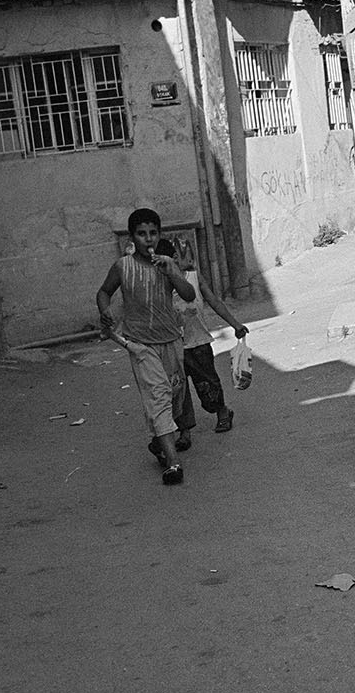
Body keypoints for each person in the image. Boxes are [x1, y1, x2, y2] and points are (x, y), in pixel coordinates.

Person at [97, 208, 196, 486]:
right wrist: (105, 310)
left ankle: (159, 442)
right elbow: (104, 292)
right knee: (158, 396)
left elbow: (189, 295)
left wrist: (173, 272)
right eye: (142, 234)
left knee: (175, 395)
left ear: (159, 235)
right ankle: (174, 463)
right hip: (140, 345)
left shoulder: (167, 264)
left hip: (171, 340)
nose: (148, 239)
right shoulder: (122, 267)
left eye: (153, 233)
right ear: (132, 237)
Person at [155, 238, 248, 445]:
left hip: (198, 343)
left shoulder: (193, 277)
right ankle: (184, 431)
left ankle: (222, 411)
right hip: (173, 346)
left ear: (174, 259)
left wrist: (235, 325)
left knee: (207, 384)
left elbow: (214, 301)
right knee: (178, 391)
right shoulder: (158, 285)